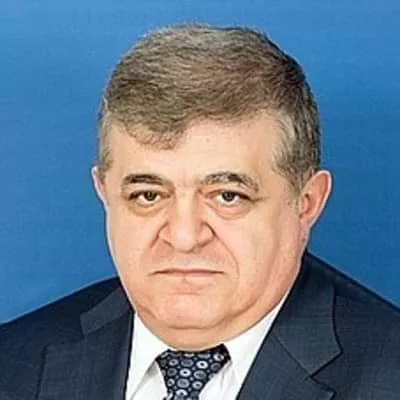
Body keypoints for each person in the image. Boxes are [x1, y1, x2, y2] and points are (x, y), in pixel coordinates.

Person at [1, 24, 399, 400]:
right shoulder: (14, 363)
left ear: (307, 203)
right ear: (104, 193)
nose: (184, 237)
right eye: (148, 195)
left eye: (227, 196)